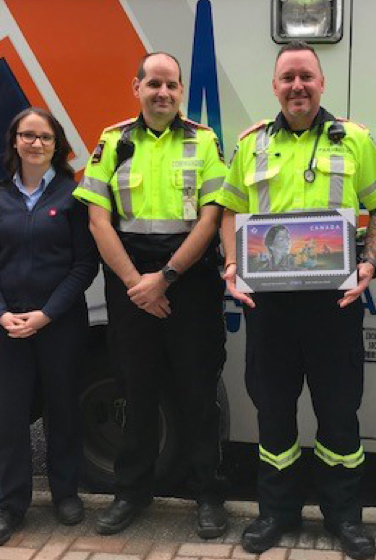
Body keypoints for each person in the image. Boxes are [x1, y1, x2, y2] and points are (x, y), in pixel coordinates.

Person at [218, 41, 376, 560]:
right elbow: (229, 209)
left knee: (340, 414)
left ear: (322, 84)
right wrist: (231, 264)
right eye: (287, 77)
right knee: (273, 413)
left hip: (334, 307)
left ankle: (345, 518)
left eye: (306, 77)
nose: (297, 86)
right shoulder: (251, 145)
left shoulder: (355, 140)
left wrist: (369, 263)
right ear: (275, 87)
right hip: (269, 308)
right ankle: (277, 513)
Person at [73, 52, 228, 538]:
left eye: (171, 85)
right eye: (153, 83)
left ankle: (208, 496)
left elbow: (211, 217)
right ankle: (130, 494)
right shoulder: (112, 142)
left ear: (181, 91)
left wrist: (166, 277)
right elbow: (98, 219)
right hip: (130, 284)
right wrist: (136, 285)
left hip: (190, 282)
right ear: (135, 86)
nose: (163, 92)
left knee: (198, 394)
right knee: (136, 392)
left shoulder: (204, 142)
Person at [0, 108, 98, 546]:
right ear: (15, 142)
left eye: (45, 137)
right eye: (28, 136)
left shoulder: (72, 197)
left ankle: (65, 493)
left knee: (63, 407)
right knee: (9, 417)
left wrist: (46, 314)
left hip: (59, 323)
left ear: (56, 145)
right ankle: (8, 505)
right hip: (7, 325)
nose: (36, 143)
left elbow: (85, 265)